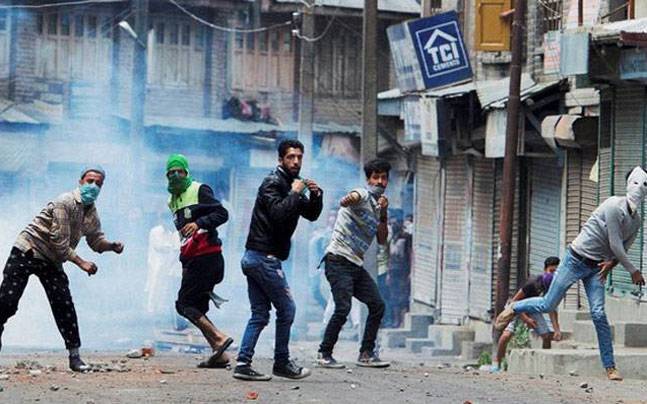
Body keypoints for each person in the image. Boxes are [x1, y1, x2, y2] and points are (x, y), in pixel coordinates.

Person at [496, 166, 647, 381]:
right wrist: (633, 271)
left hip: (595, 268)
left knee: (598, 314)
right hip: (575, 258)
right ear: (628, 184)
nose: (640, 189)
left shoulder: (637, 221)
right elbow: (615, 243)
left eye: (644, 186)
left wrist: (611, 264)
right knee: (548, 304)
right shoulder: (613, 205)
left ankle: (610, 366)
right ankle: (514, 307)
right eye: (637, 183)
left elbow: (623, 247)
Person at [0, 167, 124, 372]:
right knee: (7, 302)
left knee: (63, 303)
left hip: (52, 260)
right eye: (90, 181)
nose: (93, 186)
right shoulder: (64, 202)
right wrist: (82, 263)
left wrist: (111, 246)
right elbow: (59, 241)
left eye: (98, 184)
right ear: (80, 181)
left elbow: (95, 240)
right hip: (28, 250)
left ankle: (75, 357)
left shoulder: (91, 212)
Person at [233, 139, 323, 381]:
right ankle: (281, 363)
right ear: (281, 159)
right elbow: (279, 214)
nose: (295, 161)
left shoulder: (288, 184)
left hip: (257, 258)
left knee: (260, 314)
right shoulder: (274, 183)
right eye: (291, 157)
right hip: (263, 258)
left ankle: (243, 363)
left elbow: (311, 214)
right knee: (287, 309)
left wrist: (315, 195)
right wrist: (295, 192)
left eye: (299, 157)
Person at [317, 158, 391, 369]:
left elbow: (382, 239)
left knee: (377, 305)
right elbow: (351, 198)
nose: (379, 181)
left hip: (354, 265)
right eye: (375, 177)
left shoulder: (379, 207)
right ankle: (324, 353)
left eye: (383, 178)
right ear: (368, 179)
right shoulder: (362, 194)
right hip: (337, 259)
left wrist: (383, 214)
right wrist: (349, 198)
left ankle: (366, 353)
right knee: (343, 308)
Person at [165, 154, 233, 369]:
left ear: (187, 172)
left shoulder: (199, 189)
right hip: (192, 259)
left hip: (208, 255)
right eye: (171, 172)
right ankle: (218, 352)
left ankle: (219, 339)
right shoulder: (172, 200)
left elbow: (222, 213)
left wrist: (199, 222)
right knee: (194, 306)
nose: (176, 175)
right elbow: (183, 237)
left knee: (184, 304)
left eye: (180, 171)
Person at [492, 257, 561, 372]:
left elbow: (551, 308)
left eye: (556, 272)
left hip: (533, 308)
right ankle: (497, 363)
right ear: (545, 270)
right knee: (506, 335)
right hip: (515, 307)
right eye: (551, 271)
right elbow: (515, 302)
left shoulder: (552, 286)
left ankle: (544, 367)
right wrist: (526, 319)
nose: (553, 274)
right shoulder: (533, 283)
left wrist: (556, 329)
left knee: (546, 336)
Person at [388, 219, 412, 328]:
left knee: (403, 296)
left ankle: (402, 321)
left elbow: (410, 255)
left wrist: (411, 272)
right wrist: (388, 273)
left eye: (395, 224)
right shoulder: (391, 239)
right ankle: (396, 320)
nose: (393, 226)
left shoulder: (406, 238)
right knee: (394, 296)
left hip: (403, 271)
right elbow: (389, 257)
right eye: (392, 224)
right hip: (393, 272)